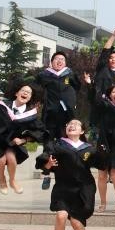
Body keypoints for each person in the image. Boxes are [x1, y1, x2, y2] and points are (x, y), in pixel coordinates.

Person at [35, 119, 102, 230]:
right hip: (63, 186)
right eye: (69, 124)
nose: (72, 126)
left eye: (76, 124)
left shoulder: (89, 148)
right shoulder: (57, 144)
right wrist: (48, 164)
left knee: (77, 223)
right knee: (61, 216)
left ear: (82, 131)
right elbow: (45, 162)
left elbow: (102, 163)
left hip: (84, 187)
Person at [35, 50, 81, 189]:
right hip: (50, 115)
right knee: (48, 144)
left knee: (65, 145)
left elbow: (77, 88)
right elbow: (35, 89)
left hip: (66, 116)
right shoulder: (44, 75)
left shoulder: (70, 74)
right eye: (57, 59)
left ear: (65, 63)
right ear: (52, 62)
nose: (59, 61)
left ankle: (65, 175)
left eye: (62, 59)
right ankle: (47, 173)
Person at [88, 27, 115, 131]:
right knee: (96, 140)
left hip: (114, 110)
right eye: (111, 57)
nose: (112, 59)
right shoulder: (102, 68)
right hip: (99, 108)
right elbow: (105, 52)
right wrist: (114, 36)